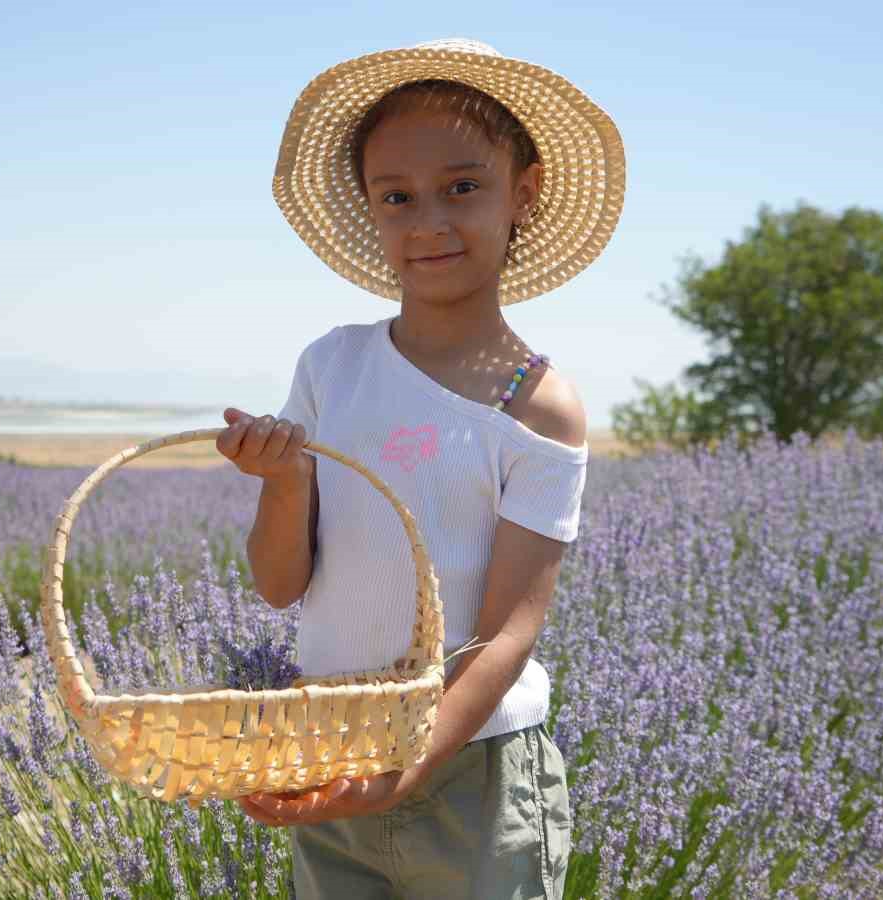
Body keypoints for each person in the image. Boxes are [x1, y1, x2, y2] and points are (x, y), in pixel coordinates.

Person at [215, 37, 626, 899]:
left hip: (476, 778)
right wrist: (283, 483)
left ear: (525, 192)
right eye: (396, 196)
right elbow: (280, 584)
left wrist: (410, 762)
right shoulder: (333, 368)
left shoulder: (539, 407)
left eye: (462, 187)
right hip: (332, 746)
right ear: (371, 210)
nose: (428, 220)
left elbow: (508, 633)